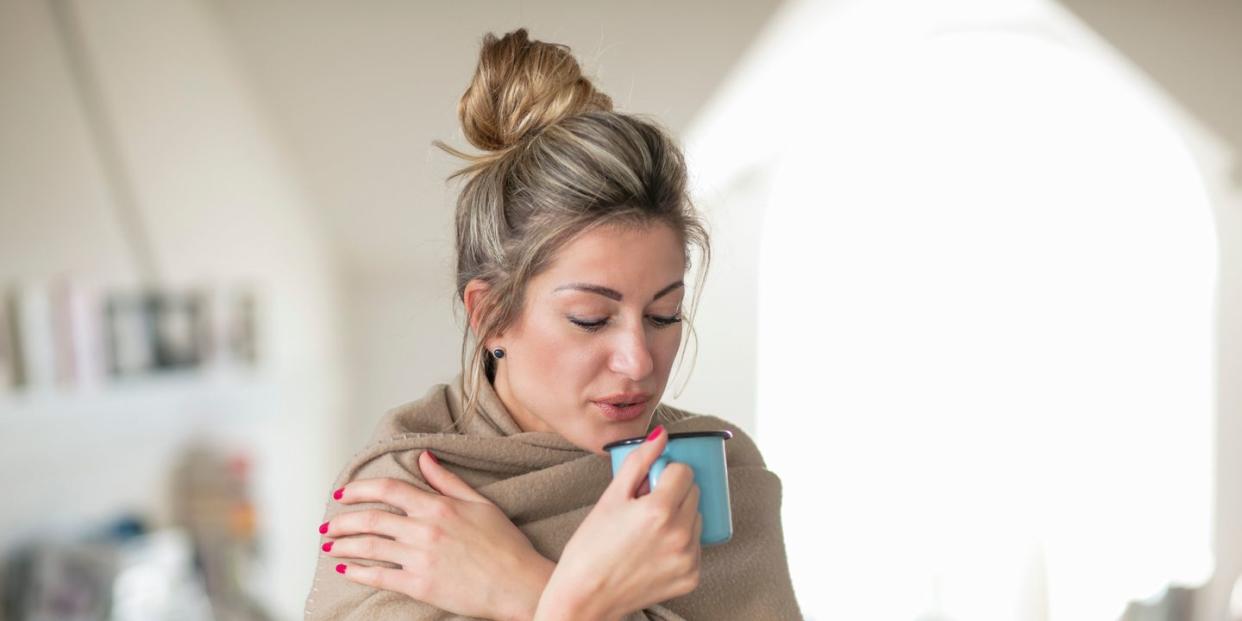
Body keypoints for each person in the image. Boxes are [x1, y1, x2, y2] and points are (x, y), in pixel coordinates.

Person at [303, 28, 802, 621]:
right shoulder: (401, 502)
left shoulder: (718, 473)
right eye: (591, 319)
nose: (638, 360)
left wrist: (531, 594)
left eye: (663, 314)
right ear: (490, 315)